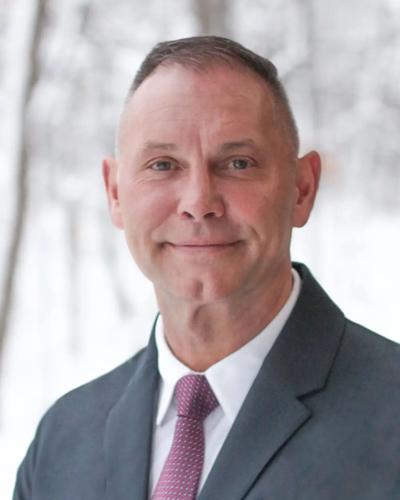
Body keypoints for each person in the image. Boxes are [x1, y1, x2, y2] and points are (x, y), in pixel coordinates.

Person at [13, 36, 400, 500]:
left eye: (238, 163)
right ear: (115, 193)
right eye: (162, 165)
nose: (199, 201)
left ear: (302, 188)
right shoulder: (61, 443)